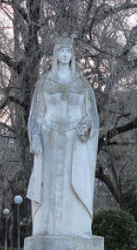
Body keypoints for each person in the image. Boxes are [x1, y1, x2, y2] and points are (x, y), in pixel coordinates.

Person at [26, 34, 99, 237]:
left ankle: (77, 230)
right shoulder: (44, 83)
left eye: (68, 51)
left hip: (75, 141)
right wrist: (36, 137)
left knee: (73, 185)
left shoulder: (82, 84)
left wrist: (87, 126)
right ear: (56, 55)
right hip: (49, 139)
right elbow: (36, 116)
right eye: (61, 51)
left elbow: (90, 115)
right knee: (48, 188)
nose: (65, 55)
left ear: (72, 55)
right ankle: (45, 231)